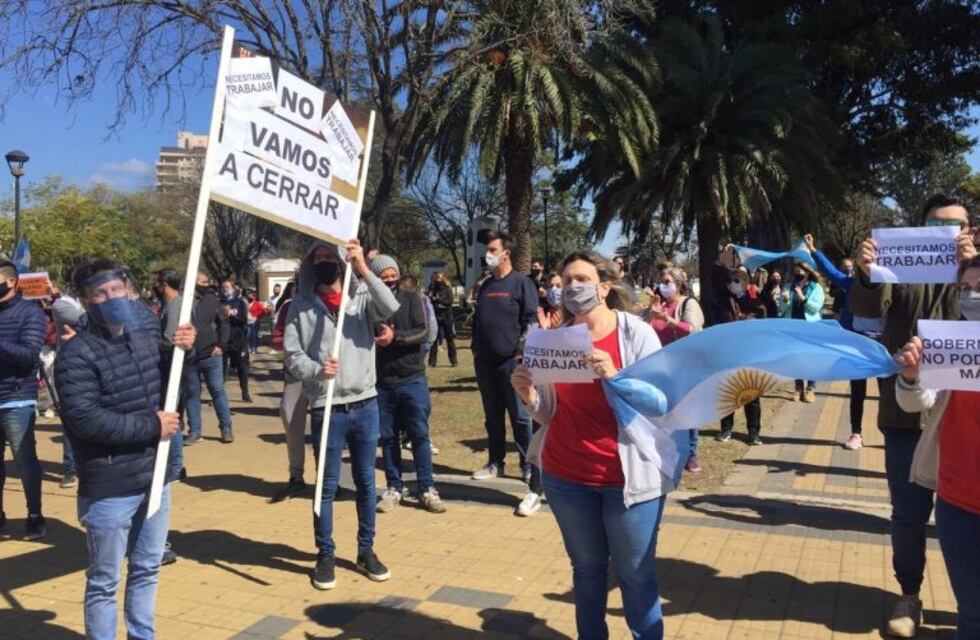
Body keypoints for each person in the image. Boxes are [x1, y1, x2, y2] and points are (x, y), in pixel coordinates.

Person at [511, 250, 670, 640]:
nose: (572, 288)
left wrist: (615, 376)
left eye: (581, 279)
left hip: (628, 481)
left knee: (635, 575)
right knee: (586, 570)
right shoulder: (554, 340)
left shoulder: (636, 333)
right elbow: (548, 412)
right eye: (565, 282)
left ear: (604, 285)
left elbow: (662, 403)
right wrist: (529, 394)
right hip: (567, 477)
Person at [850, 193, 977, 638]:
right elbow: (866, 313)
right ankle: (909, 594)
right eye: (937, 226)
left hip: (967, 422)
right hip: (907, 414)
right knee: (908, 514)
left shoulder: (976, 274)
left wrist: (973, 269)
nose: (948, 235)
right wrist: (866, 276)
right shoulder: (899, 266)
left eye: (957, 227)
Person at [55, 258, 195, 639]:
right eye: (101, 293)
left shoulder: (143, 334)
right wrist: (152, 425)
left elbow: (167, 382)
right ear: (86, 302)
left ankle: (141, 634)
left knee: (148, 567)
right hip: (110, 485)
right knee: (104, 579)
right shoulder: (77, 354)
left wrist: (181, 351)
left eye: (117, 289)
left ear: (128, 290)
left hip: (155, 475)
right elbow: (84, 419)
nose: (111, 298)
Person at [283, 238, 399, 590]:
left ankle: (366, 550)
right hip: (326, 406)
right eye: (316, 258)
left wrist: (363, 267)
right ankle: (326, 553)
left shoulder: (360, 295)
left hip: (364, 403)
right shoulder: (299, 306)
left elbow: (391, 305)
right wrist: (318, 370)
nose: (323, 262)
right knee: (326, 486)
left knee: (366, 483)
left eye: (328, 257)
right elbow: (291, 354)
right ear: (309, 265)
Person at [893, 255, 980, 640]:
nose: (972, 296)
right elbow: (916, 402)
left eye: (979, 289)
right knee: (973, 615)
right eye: (965, 289)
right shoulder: (947, 343)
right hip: (959, 502)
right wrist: (911, 376)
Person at [470, 233, 541, 517]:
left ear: (506, 253)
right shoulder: (487, 285)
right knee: (492, 416)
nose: (487, 254)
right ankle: (495, 462)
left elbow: (531, 320)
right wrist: (476, 349)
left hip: (512, 362)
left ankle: (526, 465)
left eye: (491, 249)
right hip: (484, 362)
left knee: (520, 417)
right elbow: (478, 321)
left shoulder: (522, 284)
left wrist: (521, 351)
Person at [372, 256, 446, 514]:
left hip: (412, 377)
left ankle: (427, 487)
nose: (389, 279)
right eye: (383, 276)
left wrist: (396, 338)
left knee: (419, 435)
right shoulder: (369, 301)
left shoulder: (412, 297)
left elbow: (423, 331)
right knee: (389, 437)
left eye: (393, 274)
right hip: (382, 381)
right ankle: (394, 487)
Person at [804, 234, 884, 450]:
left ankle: (888, 433)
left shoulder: (891, 285)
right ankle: (856, 433)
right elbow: (832, 273)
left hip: (884, 349)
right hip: (857, 347)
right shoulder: (851, 284)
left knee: (887, 394)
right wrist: (814, 251)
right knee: (857, 392)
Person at [0, 259, 47, 540]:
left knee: (24, 461)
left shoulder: (30, 312)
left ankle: (34, 515)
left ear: (12, 281)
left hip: (17, 398)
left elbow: (29, 355)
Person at [648, 267, 705, 472]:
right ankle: (669, 450)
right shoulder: (659, 305)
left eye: (668, 281)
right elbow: (649, 330)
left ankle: (691, 453)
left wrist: (667, 319)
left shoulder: (689, 304)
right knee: (666, 409)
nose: (664, 285)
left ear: (679, 284)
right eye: (662, 281)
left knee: (686, 409)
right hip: (662, 366)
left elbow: (691, 329)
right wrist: (650, 314)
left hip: (684, 365)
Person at [716, 262, 767, 445]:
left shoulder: (755, 300)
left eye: (738, 279)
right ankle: (726, 429)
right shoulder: (722, 300)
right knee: (728, 391)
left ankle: (753, 432)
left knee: (751, 393)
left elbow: (762, 318)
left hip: (749, 353)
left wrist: (747, 316)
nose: (734, 283)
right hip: (728, 352)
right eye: (731, 279)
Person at [269, 275, 308, 504]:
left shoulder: (332, 305)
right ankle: (296, 476)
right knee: (290, 418)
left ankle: (327, 479)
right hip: (295, 374)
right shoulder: (288, 307)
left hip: (325, 377)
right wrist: (292, 347)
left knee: (326, 429)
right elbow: (276, 339)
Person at [181, 272, 233, 445]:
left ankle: (226, 428)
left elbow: (223, 323)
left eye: (207, 282)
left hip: (211, 354)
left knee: (217, 391)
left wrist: (221, 345)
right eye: (203, 282)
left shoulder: (212, 301)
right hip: (188, 357)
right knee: (191, 394)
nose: (207, 285)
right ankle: (195, 431)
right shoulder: (182, 301)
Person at [49, 282, 85, 488]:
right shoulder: (62, 305)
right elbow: (85, 321)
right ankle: (71, 469)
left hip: (95, 365)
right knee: (70, 420)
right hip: (70, 369)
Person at [780, 261, 826, 403]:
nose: (797, 273)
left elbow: (816, 308)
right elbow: (782, 308)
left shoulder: (815, 287)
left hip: (810, 328)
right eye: (795, 271)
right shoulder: (788, 286)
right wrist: (785, 300)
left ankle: (811, 388)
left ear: (807, 272)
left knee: (810, 358)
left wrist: (803, 298)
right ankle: (798, 388)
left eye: (800, 271)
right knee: (796, 358)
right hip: (793, 328)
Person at [220, 279, 252, 403]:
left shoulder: (239, 302)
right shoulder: (219, 303)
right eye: (223, 287)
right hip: (223, 341)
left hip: (238, 340)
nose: (225, 289)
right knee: (221, 369)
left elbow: (243, 320)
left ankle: (245, 392)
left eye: (227, 286)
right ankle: (219, 395)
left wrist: (231, 314)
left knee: (242, 368)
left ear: (233, 288)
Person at [426, 272, 457, 367]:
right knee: (434, 339)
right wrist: (430, 296)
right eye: (435, 280)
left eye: (438, 280)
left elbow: (449, 302)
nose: (437, 282)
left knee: (450, 339)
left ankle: (453, 361)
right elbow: (429, 299)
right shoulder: (432, 288)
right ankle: (432, 362)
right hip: (436, 315)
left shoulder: (447, 289)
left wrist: (438, 299)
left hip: (447, 316)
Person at [246, 290, 264, 354]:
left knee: (254, 335)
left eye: (251, 295)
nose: (249, 296)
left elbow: (262, 311)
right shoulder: (246, 303)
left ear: (254, 297)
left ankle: (254, 347)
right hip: (247, 322)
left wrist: (257, 317)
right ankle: (249, 347)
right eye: (248, 295)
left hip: (255, 322)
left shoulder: (257, 303)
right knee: (248, 335)